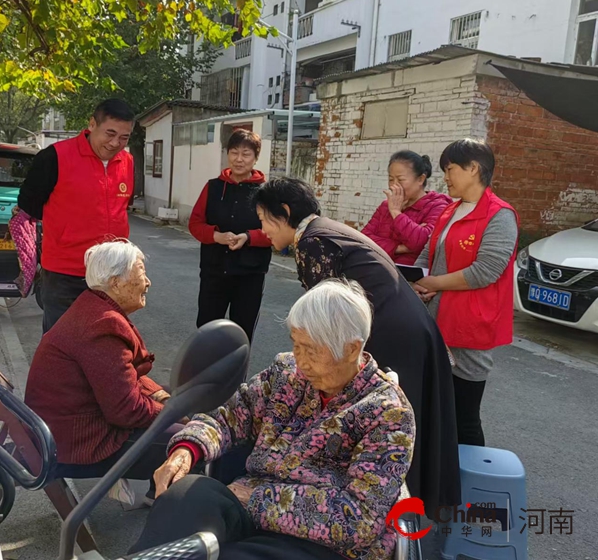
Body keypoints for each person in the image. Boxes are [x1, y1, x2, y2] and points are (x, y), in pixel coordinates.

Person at [129, 280, 415, 560]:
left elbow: (358, 520)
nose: (301, 361)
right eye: (296, 344)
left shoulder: (387, 413)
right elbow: (230, 416)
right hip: (248, 507)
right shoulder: (287, 373)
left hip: (321, 544)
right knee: (184, 499)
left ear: (353, 349)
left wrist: (258, 499)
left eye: (312, 350)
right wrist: (189, 448)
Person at [252, 177, 460, 519]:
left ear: (285, 213)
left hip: (393, 336)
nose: (262, 230)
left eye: (263, 220)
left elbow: (323, 327)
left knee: (391, 424)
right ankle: (410, 511)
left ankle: (386, 515)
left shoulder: (314, 242)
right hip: (407, 328)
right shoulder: (325, 231)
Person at [24, 240, 183, 485]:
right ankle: (171, 508)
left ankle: (160, 493)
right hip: (76, 441)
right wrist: (174, 414)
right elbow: (126, 411)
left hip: (63, 427)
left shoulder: (93, 306)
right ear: (115, 282)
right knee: (191, 439)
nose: (148, 282)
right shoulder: (103, 324)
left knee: (176, 395)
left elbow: (123, 374)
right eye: (142, 274)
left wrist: (161, 396)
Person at [413, 139, 518, 446]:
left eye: (451, 169)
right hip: (437, 323)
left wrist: (434, 283)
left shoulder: (500, 215)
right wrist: (419, 280)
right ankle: (439, 482)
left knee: (465, 417)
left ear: (474, 168)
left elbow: (486, 271)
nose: (445, 176)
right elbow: (427, 256)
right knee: (435, 411)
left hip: (469, 329)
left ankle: (471, 485)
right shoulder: (450, 211)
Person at [16, 98, 136, 333]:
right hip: (64, 274)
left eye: (124, 137)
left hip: (111, 275)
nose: (115, 143)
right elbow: (29, 205)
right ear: (92, 124)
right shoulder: (54, 157)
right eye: (109, 133)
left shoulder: (128, 162)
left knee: (103, 343)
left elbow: (122, 209)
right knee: (60, 345)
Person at [189, 129, 272, 343]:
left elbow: (276, 232)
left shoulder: (266, 192)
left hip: (249, 275)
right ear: (227, 154)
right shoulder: (213, 187)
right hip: (214, 272)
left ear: (255, 157)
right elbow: (195, 223)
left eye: (246, 154)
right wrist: (216, 236)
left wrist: (248, 237)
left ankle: (237, 377)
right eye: (234, 152)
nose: (239, 159)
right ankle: (204, 375)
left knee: (241, 335)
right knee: (206, 331)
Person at [362, 150, 452, 265]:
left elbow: (422, 244)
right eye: (390, 179)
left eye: (401, 180)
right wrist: (399, 248)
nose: (394, 185)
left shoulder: (437, 206)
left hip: (409, 276)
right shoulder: (386, 206)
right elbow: (363, 239)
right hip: (376, 267)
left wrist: (396, 212)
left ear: (421, 179)